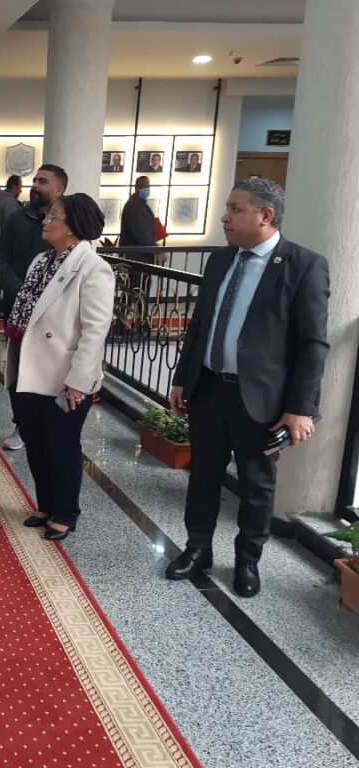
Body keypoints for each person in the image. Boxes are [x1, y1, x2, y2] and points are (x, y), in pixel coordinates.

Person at [165, 178, 330, 597]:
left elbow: (313, 344)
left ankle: (247, 561)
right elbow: (200, 325)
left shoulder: (303, 265)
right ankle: (198, 548)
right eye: (227, 208)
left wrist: (300, 408)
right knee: (203, 475)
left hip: (260, 400)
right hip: (209, 388)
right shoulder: (220, 260)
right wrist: (182, 378)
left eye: (235, 209)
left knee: (257, 486)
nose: (225, 217)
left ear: (265, 215)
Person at [3, 193, 115, 541]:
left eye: (54, 216)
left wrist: (79, 381)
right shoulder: (41, 260)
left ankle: (65, 512)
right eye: (48, 215)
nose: (45, 221)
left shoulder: (94, 268)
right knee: (35, 441)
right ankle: (46, 504)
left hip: (64, 375)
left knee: (61, 446)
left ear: (73, 227)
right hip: (27, 364)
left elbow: (95, 331)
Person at [0, 164, 67, 450]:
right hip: (18, 308)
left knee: (49, 366)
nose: (35, 185)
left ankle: (48, 421)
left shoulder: (66, 225)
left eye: (43, 181)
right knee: (19, 368)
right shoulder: (16, 220)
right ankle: (21, 424)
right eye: (35, 180)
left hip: (54, 313)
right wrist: (20, 290)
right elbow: (1, 261)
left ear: (58, 189)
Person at [0, 174, 23, 317]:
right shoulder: (9, 203)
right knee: (3, 277)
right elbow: (13, 226)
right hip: (2, 246)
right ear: (13, 187)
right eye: (19, 187)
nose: (20, 191)